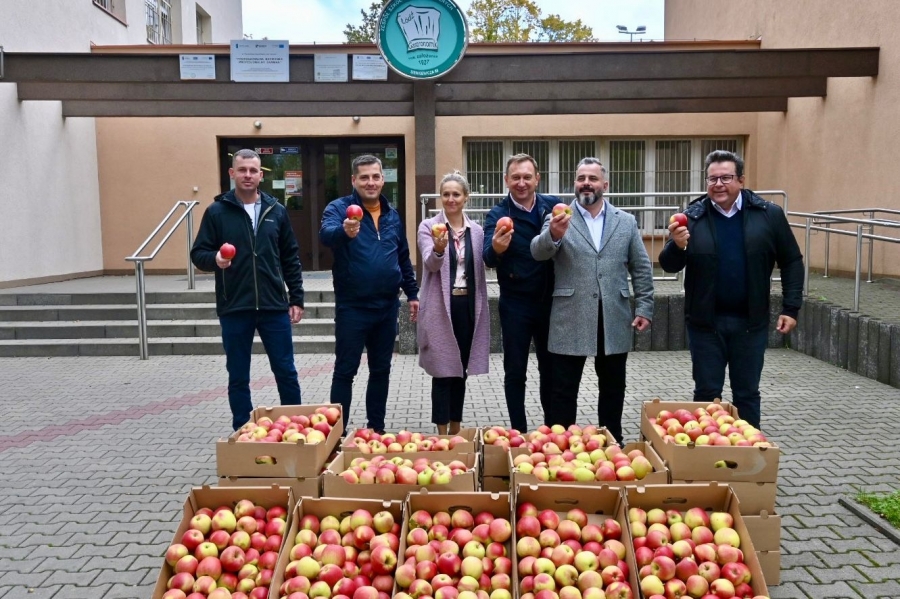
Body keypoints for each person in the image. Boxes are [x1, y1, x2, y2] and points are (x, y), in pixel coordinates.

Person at [659, 150, 804, 429]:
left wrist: (791, 307)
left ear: (741, 180)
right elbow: (668, 265)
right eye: (712, 179)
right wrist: (677, 245)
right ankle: (705, 450)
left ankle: (750, 452)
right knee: (706, 394)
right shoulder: (692, 217)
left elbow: (792, 261)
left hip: (750, 323)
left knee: (747, 394)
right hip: (705, 325)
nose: (718, 184)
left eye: (726, 178)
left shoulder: (768, 214)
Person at [531, 157, 654, 444]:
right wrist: (553, 235)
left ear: (605, 185)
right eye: (581, 178)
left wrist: (645, 307)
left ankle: (612, 441)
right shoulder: (558, 217)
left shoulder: (626, 221)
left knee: (613, 387)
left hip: (613, 315)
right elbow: (537, 252)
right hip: (570, 315)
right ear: (575, 183)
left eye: (593, 178)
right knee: (563, 389)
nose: (586, 183)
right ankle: (561, 444)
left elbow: (641, 267)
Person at [191, 148, 304, 430]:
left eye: (253, 170)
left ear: (261, 175)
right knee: (238, 375)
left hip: (273, 305)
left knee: (286, 371)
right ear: (232, 173)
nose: (248, 175)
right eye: (242, 170)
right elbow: (199, 253)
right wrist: (216, 259)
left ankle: (295, 428)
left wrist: (296, 298)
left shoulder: (276, 211)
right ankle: (242, 430)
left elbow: (290, 257)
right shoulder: (217, 211)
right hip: (235, 305)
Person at [320, 154, 419, 434]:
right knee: (345, 371)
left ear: (383, 179)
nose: (370, 182)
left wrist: (412, 293)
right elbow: (326, 234)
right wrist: (344, 231)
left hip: (387, 306)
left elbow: (402, 256)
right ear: (354, 180)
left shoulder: (391, 215)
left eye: (375, 176)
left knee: (381, 370)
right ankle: (337, 435)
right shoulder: (340, 209)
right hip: (353, 307)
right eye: (364, 177)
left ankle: (376, 430)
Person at [482, 154, 558, 432]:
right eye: (516, 177)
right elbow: (487, 257)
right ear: (506, 180)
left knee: (550, 370)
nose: (522, 183)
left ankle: (551, 430)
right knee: (515, 371)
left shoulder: (553, 207)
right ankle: (519, 432)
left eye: (527, 177)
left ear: (537, 179)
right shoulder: (498, 214)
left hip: (551, 301)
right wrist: (497, 249)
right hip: (515, 304)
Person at [417, 172, 491, 435]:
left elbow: (483, 267)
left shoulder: (477, 231)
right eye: (446, 194)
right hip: (440, 307)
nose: (450, 199)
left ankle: (456, 431)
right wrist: (439, 248)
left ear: (465, 197)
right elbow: (430, 264)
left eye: (456, 194)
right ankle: (441, 435)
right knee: (442, 371)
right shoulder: (428, 226)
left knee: (460, 370)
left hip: (467, 306)